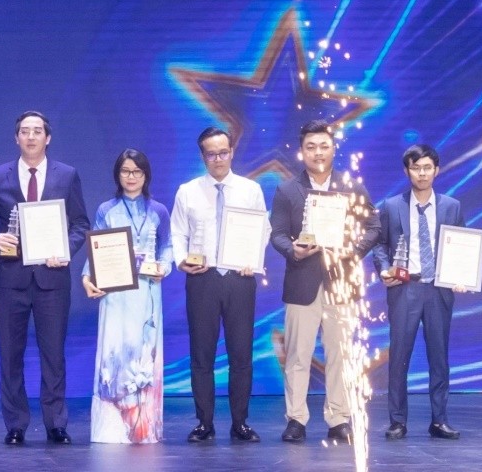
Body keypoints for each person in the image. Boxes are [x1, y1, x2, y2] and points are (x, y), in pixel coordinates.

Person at [0, 110, 90, 445]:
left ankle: (56, 423)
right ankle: (16, 424)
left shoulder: (67, 175)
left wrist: (66, 250)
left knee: (54, 354)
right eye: (25, 131)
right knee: (10, 354)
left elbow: (80, 223)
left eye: (37, 131)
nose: (31, 136)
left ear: (47, 138)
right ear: (16, 137)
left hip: (53, 278)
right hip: (11, 278)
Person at [269, 119, 380, 444]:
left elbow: (374, 226)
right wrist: (293, 250)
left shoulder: (352, 187)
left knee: (340, 355)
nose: (318, 152)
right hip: (301, 282)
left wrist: (353, 252)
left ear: (334, 148)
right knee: (297, 355)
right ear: (301, 151)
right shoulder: (287, 190)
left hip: (341, 283)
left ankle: (338, 418)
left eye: (323, 146)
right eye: (311, 147)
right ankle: (296, 419)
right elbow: (277, 234)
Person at [170, 127, 267, 444]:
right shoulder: (188, 191)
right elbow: (178, 233)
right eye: (211, 154)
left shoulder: (250, 189)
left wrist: (252, 259)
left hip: (240, 278)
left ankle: (240, 422)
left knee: (241, 354)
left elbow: (262, 230)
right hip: (203, 278)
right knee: (202, 355)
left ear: (232, 152)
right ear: (203, 156)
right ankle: (204, 423)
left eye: (223, 152)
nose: (218, 159)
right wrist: (182, 261)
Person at [372, 143, 465, 441]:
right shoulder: (391, 206)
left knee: (439, 357)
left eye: (427, 168)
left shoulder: (452, 206)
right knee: (399, 356)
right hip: (405, 289)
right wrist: (384, 268)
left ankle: (439, 420)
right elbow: (380, 245)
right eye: (416, 168)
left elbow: (461, 245)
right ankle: (397, 421)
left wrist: (460, 275)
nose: (422, 173)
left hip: (438, 289)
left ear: (436, 170)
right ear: (407, 171)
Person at [82, 149, 172, 444]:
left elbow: (167, 247)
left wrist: (164, 267)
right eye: (125, 171)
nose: (131, 177)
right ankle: (111, 429)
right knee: (115, 354)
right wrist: (87, 277)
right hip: (115, 294)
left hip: (147, 292)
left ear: (146, 175)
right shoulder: (106, 210)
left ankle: (144, 430)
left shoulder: (158, 210)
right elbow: (95, 249)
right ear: (117, 175)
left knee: (143, 356)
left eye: (137, 171)